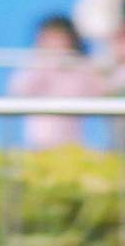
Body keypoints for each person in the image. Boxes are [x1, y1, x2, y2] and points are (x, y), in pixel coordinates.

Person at [11, 14, 108, 151]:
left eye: (59, 38)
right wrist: (45, 64)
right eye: (49, 38)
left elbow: (101, 93)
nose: (54, 44)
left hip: (73, 145)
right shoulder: (33, 67)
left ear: (71, 40)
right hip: (37, 145)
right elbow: (18, 89)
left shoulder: (81, 68)